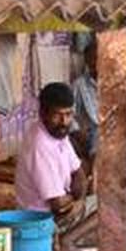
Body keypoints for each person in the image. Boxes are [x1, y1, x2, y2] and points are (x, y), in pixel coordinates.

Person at [15, 82, 90, 228]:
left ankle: (68, 242)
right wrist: (78, 198)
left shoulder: (57, 133)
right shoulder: (39, 145)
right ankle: (66, 243)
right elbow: (58, 204)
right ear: (43, 113)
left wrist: (78, 199)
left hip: (63, 211)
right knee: (106, 208)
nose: (64, 122)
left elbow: (78, 171)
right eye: (57, 115)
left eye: (68, 114)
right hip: (43, 221)